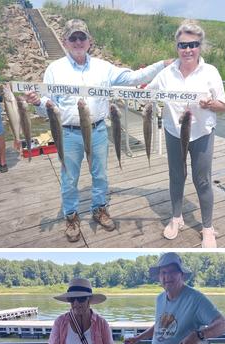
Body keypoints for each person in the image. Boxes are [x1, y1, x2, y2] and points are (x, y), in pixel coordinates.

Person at [24, 19, 170, 243]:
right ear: (65, 41)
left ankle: (100, 208)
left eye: (82, 37)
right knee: (69, 178)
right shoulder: (54, 69)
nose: (78, 41)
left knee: (100, 175)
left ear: (90, 41)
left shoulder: (104, 67)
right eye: (73, 38)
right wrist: (36, 102)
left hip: (99, 130)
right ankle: (71, 216)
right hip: (68, 133)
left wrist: (162, 64)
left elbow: (133, 78)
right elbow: (48, 108)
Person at [147, 20, 225, 248]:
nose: (188, 49)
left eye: (193, 44)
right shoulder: (166, 74)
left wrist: (211, 103)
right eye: (183, 45)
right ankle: (176, 218)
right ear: (177, 47)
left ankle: (207, 227)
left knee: (202, 180)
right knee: (176, 176)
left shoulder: (211, 72)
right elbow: (145, 93)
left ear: (200, 46)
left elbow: (224, 105)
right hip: (174, 133)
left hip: (202, 134)